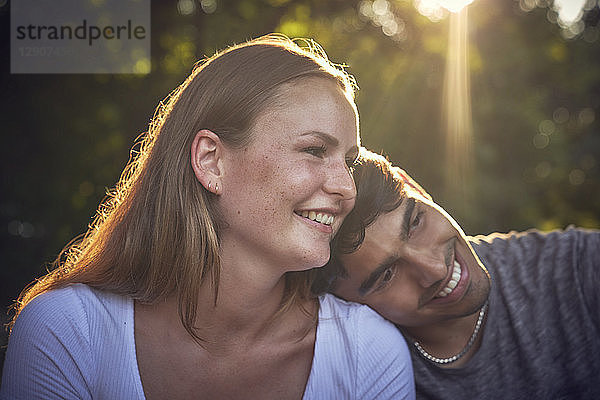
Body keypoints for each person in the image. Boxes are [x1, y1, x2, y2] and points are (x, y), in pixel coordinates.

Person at [1, 37, 414, 399]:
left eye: (349, 162)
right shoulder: (69, 333)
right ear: (212, 161)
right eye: (313, 151)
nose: (347, 188)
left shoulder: (367, 352)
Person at [314, 148, 600, 399]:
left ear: (415, 187)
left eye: (415, 223)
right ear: (343, 301)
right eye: (386, 275)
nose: (436, 270)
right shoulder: (357, 376)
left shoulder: (575, 268)